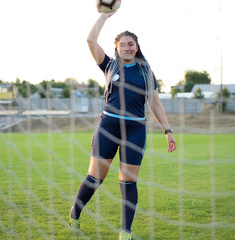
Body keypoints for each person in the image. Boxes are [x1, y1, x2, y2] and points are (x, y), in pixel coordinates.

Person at [69, 11, 176, 240]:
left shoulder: (146, 72)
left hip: (135, 131)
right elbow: (90, 40)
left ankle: (125, 232)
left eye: (131, 44)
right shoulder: (109, 65)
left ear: (137, 47)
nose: (127, 47)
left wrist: (168, 131)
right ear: (116, 48)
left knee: (128, 180)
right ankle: (75, 213)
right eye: (123, 44)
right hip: (108, 127)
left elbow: (155, 104)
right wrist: (105, 16)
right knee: (96, 177)